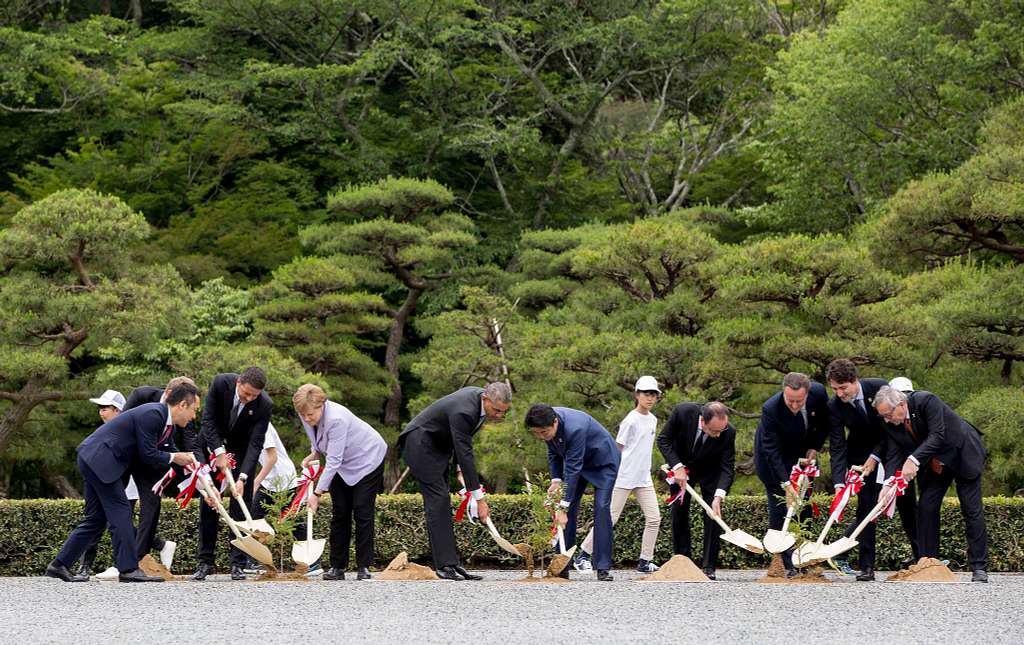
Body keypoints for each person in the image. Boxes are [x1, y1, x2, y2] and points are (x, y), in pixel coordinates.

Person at [46, 382, 200, 582]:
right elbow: (148, 454)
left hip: (93, 457)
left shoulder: (164, 423)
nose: (194, 416)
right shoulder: (154, 414)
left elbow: (168, 452)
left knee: (96, 519)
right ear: (182, 405)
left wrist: (199, 482)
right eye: (194, 410)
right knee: (121, 513)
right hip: (101, 460)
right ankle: (128, 569)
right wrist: (175, 458)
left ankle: (59, 564)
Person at [873, 385, 989, 582]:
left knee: (971, 510)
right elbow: (894, 452)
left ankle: (979, 567)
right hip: (934, 463)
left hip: (962, 453)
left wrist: (913, 460)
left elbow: (937, 435)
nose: (886, 420)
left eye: (888, 414)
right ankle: (928, 562)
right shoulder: (889, 421)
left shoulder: (926, 401)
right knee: (926, 506)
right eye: (882, 416)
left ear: (901, 404)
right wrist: (888, 483)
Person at [397, 382, 512, 580]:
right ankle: (444, 565)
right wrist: (480, 499)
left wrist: (461, 475)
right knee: (438, 501)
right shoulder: (465, 411)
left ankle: (452, 564)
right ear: (485, 398)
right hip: (419, 442)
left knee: (442, 501)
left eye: (503, 412)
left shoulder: (479, 404)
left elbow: (462, 443)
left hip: (439, 447)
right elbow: (465, 453)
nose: (499, 416)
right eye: (496, 410)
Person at [825, 359, 918, 581]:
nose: (839, 393)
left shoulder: (878, 387)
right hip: (860, 458)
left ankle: (923, 557)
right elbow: (837, 446)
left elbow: (890, 425)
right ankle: (867, 567)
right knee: (866, 509)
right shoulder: (834, 406)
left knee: (907, 507)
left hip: (893, 449)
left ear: (854, 380)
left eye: (843, 388)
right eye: (835, 389)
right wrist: (839, 483)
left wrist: (876, 455)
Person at [294, 384, 387, 581]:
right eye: (304, 415)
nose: (307, 419)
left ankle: (364, 566)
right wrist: (314, 451)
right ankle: (337, 566)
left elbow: (333, 461)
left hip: (367, 458)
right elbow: (317, 439)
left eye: (310, 414)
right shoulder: (306, 414)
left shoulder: (336, 419)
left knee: (362, 511)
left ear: (322, 405)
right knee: (340, 512)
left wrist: (317, 494)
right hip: (342, 463)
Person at [575, 376, 663, 574]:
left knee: (654, 518)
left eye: (653, 395)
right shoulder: (630, 420)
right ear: (637, 395)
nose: (650, 398)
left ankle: (645, 561)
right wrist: (611, 473)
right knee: (609, 519)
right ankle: (583, 555)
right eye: (646, 394)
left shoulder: (653, 420)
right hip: (623, 476)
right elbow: (617, 448)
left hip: (643, 478)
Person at [192, 367, 273, 581]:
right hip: (212, 444)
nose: (249, 399)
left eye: (254, 396)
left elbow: (256, 444)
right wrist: (219, 452)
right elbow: (207, 421)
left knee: (241, 503)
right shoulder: (220, 383)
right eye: (246, 393)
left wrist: (244, 477)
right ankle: (205, 562)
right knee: (211, 502)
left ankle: (237, 563)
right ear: (238, 383)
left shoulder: (264, 405)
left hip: (241, 450)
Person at [525, 403, 621, 581]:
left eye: (544, 432)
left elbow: (573, 468)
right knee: (570, 507)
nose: (541, 437)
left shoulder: (574, 428)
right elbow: (554, 453)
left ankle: (603, 566)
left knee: (601, 508)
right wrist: (555, 481)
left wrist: (563, 507)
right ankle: (563, 564)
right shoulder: (546, 422)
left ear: (555, 422)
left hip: (603, 462)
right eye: (536, 433)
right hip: (577, 464)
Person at [119, 377, 200, 573]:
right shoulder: (143, 396)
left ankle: (139, 558)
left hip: (156, 459)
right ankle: (115, 559)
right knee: (114, 507)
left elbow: (188, 442)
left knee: (152, 503)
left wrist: (198, 473)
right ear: (174, 395)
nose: (193, 415)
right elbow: (123, 427)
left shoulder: (184, 411)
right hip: (128, 457)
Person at [753, 372, 829, 575]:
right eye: (790, 400)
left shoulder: (819, 394)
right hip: (774, 460)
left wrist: (815, 448)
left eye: (799, 401)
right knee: (782, 509)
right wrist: (787, 485)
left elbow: (823, 424)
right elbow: (772, 451)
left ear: (808, 393)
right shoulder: (771, 409)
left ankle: (804, 559)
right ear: (783, 392)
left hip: (804, 456)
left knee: (804, 509)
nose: (795, 406)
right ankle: (786, 564)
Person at [656, 400, 736, 580]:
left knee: (712, 515)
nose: (718, 435)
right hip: (680, 468)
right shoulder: (683, 412)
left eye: (721, 431)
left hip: (711, 471)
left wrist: (719, 496)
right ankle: (683, 562)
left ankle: (709, 567)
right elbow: (663, 440)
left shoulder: (728, 432)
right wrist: (677, 466)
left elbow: (727, 466)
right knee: (679, 512)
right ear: (702, 421)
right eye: (714, 431)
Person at [76, 389, 134, 579]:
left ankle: (123, 565)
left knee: (117, 522)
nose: (101, 412)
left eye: (106, 408)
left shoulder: (128, 431)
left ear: (118, 410)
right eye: (100, 408)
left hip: (121, 483)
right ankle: (85, 565)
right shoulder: (100, 432)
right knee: (94, 518)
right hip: (98, 480)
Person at [246, 421, 313, 575]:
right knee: (254, 518)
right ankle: (256, 562)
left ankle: (309, 562)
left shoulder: (263, 426)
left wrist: (256, 482)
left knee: (293, 522)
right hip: (269, 481)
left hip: (284, 479)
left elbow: (272, 458)